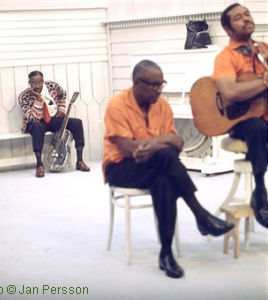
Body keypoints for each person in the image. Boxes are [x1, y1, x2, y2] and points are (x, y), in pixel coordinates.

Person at [102, 60, 234, 279]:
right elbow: (128, 149)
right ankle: (201, 215)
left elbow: (179, 143)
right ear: (137, 83)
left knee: (164, 179)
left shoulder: (161, 106)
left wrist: (154, 144)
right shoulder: (118, 104)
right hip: (121, 167)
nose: (159, 89)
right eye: (154, 85)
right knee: (165, 155)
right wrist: (162, 143)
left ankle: (166, 254)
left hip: (154, 164)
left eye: (161, 84)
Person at [212, 3, 268, 228]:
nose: (246, 19)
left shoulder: (264, 49)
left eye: (247, 14)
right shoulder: (226, 57)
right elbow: (230, 92)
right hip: (243, 121)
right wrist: (263, 82)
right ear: (228, 29)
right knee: (257, 128)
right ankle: (260, 190)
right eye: (238, 17)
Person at [18, 70, 90, 177]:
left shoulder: (52, 86)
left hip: (52, 119)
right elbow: (34, 118)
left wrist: (61, 108)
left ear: (43, 81)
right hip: (37, 122)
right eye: (33, 83)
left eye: (39, 83)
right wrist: (38, 98)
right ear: (29, 83)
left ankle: (80, 161)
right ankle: (39, 165)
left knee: (77, 123)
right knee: (37, 127)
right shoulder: (24, 97)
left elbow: (62, 94)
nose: (37, 86)